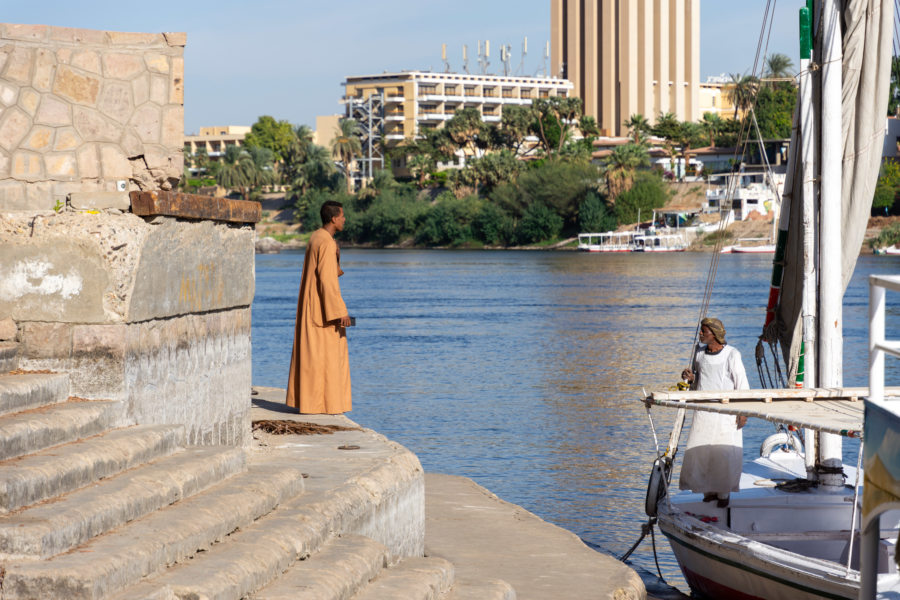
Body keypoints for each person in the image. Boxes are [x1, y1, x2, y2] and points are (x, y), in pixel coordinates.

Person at [285, 201, 352, 414]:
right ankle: (326, 406)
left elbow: (326, 272)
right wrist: (340, 311)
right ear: (334, 218)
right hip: (322, 311)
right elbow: (327, 281)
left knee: (312, 358)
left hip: (312, 306)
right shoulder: (326, 242)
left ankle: (310, 403)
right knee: (328, 359)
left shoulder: (317, 237)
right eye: (342, 216)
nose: (344, 220)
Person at [678, 317, 749, 508]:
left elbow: (742, 385)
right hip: (703, 412)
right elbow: (698, 380)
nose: (700, 334)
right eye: (701, 331)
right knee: (702, 452)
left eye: (704, 331)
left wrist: (743, 412)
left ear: (715, 334)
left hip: (726, 413)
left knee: (723, 454)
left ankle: (723, 494)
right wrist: (690, 378)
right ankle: (708, 491)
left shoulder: (732, 354)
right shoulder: (699, 353)